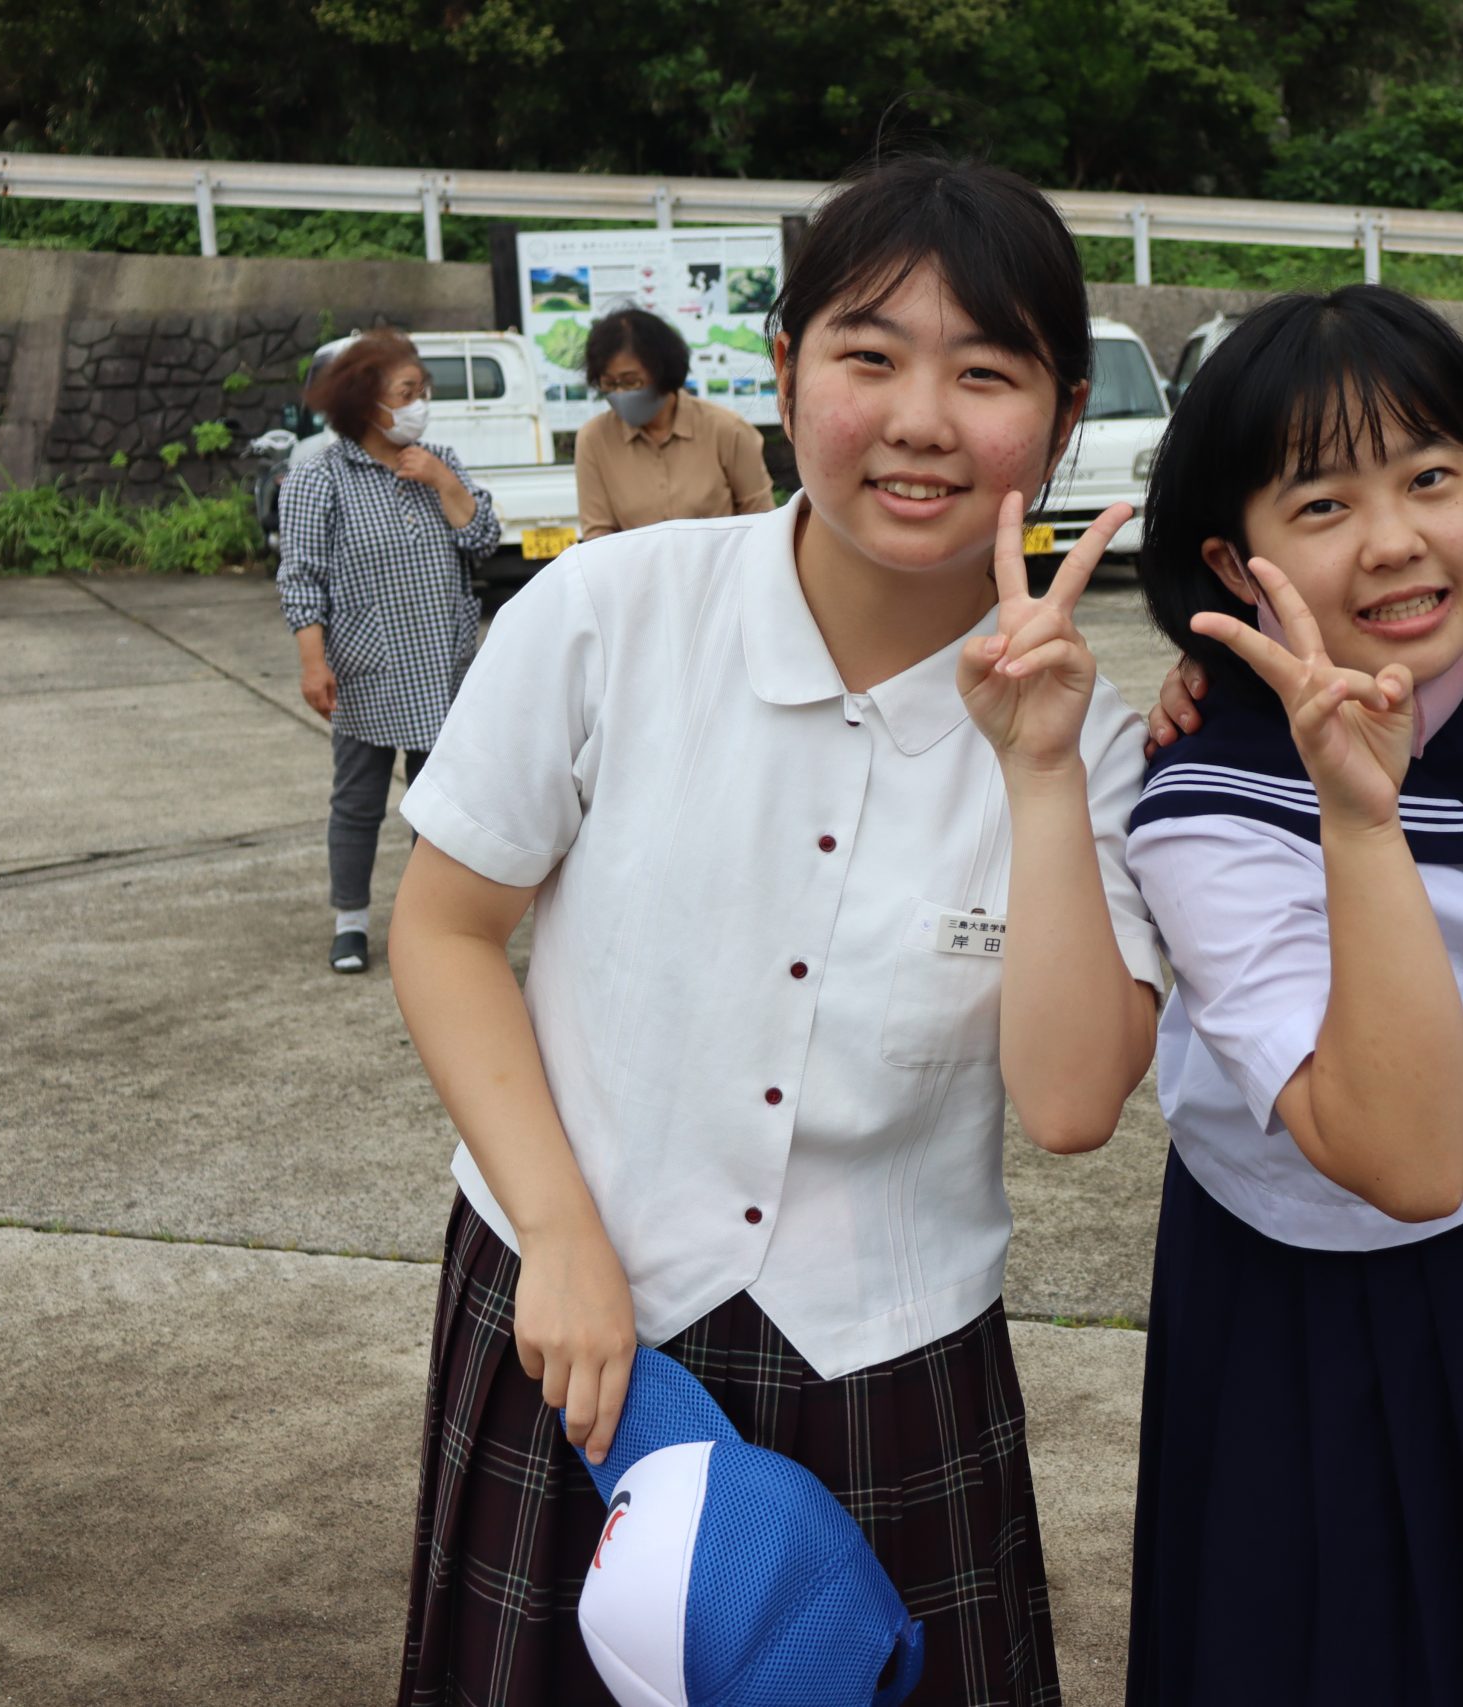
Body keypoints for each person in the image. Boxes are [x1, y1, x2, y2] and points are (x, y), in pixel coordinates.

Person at [383, 155, 1162, 1707]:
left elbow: (1074, 1102)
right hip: (577, 1326)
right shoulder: (607, 611)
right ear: (788, 369)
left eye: (986, 372)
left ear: (1063, 416)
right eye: (871, 356)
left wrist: (1037, 772)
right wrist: (562, 1231)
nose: (922, 419)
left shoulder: (1091, 742)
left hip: (893, 1367)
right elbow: (449, 929)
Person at [1123, 285, 1463, 1706]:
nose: (1396, 539)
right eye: (1323, 504)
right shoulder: (1214, 809)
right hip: (1328, 1303)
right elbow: (1402, 1164)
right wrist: (1361, 818)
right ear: (1233, 560)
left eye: (1430, 477)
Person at [276, 331, 499, 974]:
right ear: (364, 401)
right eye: (406, 392)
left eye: (423, 390)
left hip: (444, 666)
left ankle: (435, 923)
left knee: (442, 807)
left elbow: (484, 539)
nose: (419, 404)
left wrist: (443, 482)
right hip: (365, 668)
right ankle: (350, 922)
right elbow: (302, 576)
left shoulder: (439, 459)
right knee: (357, 803)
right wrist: (312, 662)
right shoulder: (320, 475)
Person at [573, 306, 773, 539]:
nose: (620, 393)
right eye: (609, 384)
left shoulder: (727, 429)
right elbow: (598, 536)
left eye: (632, 382)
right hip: (637, 564)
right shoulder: (594, 439)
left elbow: (762, 522)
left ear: (663, 372)